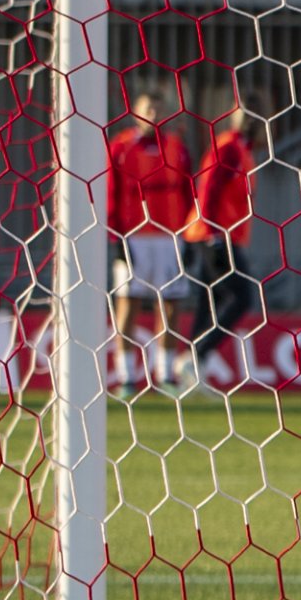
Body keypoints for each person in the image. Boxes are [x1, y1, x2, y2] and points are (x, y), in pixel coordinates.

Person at [108, 87, 194, 394]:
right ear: (136, 114)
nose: (154, 116)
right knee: (128, 305)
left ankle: (166, 375)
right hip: (134, 237)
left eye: (159, 110)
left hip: (170, 237)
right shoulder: (120, 146)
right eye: (148, 110)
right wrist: (116, 237)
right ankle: (126, 377)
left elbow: (188, 192)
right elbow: (110, 192)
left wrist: (189, 236)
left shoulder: (176, 147)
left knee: (170, 305)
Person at [183, 99, 262, 390]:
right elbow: (210, 188)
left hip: (215, 234)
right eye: (246, 116)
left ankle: (192, 370)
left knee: (211, 301)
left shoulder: (242, 149)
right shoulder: (229, 147)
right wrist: (214, 233)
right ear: (234, 119)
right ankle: (197, 354)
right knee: (241, 297)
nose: (252, 122)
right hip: (214, 235)